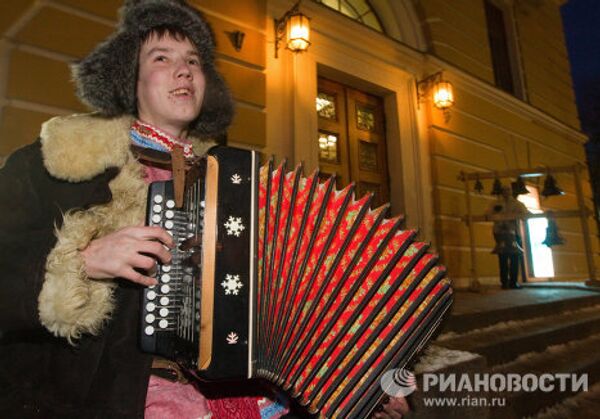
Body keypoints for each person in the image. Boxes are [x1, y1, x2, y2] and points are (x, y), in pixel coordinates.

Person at [0, 1, 408, 417]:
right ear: (129, 78)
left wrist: (357, 387)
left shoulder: (244, 183)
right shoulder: (56, 161)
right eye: (162, 58)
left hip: (252, 398)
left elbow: (298, 304)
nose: (184, 70)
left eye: (193, 60)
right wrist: (81, 260)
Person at [487, 186, 529, 289]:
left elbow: (525, 214)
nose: (507, 192)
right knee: (503, 258)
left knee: (514, 257)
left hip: (513, 232)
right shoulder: (495, 204)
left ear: (511, 191)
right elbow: (488, 214)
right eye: (505, 190)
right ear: (502, 192)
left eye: (508, 190)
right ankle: (505, 282)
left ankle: (513, 282)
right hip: (500, 232)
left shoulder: (517, 204)